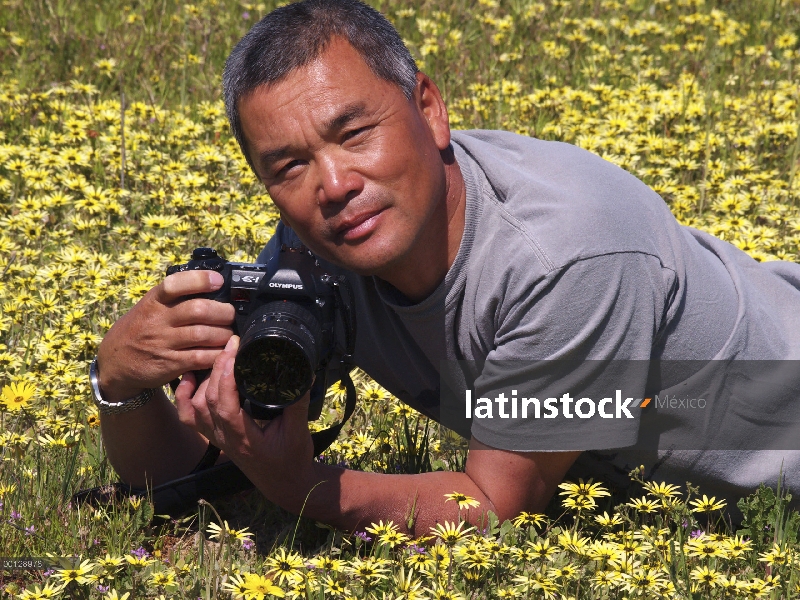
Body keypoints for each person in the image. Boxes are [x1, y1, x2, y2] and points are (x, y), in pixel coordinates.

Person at [95, 0, 800, 533]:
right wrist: (121, 381)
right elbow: (182, 470)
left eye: (354, 133)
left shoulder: (566, 254)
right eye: (290, 165)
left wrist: (299, 484)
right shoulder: (313, 259)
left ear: (429, 109)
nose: (334, 183)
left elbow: (496, 506)